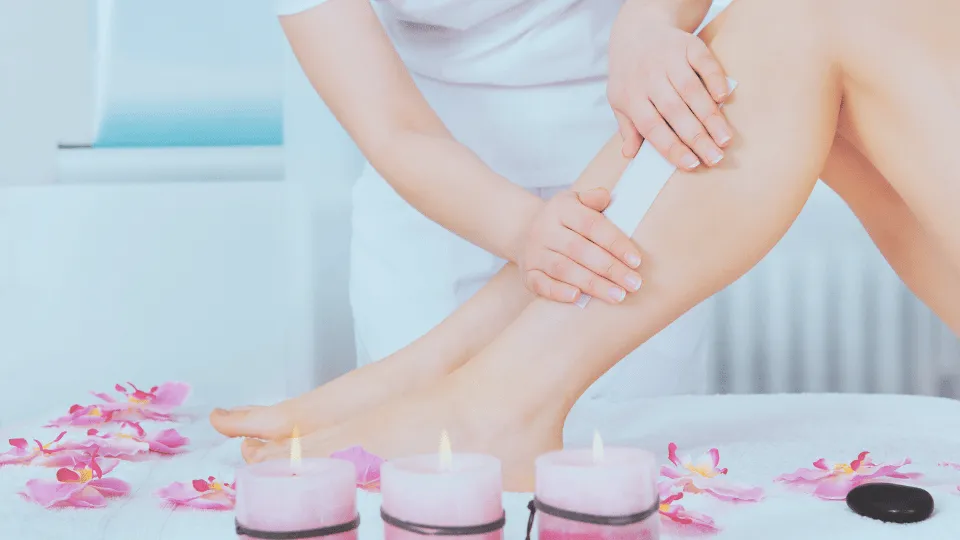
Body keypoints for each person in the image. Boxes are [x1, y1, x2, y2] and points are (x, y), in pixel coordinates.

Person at [215, 0, 960, 491]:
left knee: (799, 24)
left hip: (616, 138)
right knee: (795, 27)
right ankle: (450, 374)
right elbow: (393, 127)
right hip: (448, 180)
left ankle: (479, 394)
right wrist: (516, 236)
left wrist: (644, 31)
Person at [279, 0, 738, 403]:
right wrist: (525, 231)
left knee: (634, 450)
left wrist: (651, 19)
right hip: (431, 193)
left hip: (630, 150)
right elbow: (394, 128)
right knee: (431, 455)